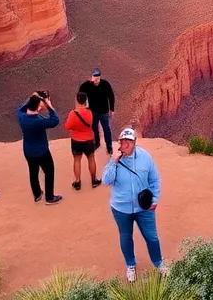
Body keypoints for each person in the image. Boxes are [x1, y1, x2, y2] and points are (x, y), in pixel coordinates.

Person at [103, 126, 164, 283]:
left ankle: (159, 263)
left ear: (135, 142)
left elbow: (155, 180)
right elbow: (106, 181)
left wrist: (155, 200)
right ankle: (131, 265)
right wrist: (113, 161)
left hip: (144, 208)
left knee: (152, 237)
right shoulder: (115, 160)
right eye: (124, 141)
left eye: (130, 141)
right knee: (125, 237)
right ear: (120, 143)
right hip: (121, 208)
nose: (127, 144)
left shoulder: (145, 158)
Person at [17, 91, 63, 204]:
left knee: (33, 171)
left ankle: (37, 194)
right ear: (38, 108)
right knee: (49, 171)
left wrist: (32, 97)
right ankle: (49, 197)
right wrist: (49, 105)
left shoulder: (21, 116)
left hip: (28, 151)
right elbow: (55, 121)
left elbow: (20, 109)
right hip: (42, 152)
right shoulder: (38, 121)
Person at [66, 92, 100, 190]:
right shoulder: (89, 113)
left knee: (77, 160)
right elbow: (91, 123)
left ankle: (77, 182)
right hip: (88, 139)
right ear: (86, 101)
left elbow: (67, 126)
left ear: (77, 100)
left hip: (76, 140)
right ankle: (94, 180)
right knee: (91, 158)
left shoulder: (73, 113)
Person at [79, 69, 117, 155]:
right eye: (94, 79)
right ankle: (97, 142)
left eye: (98, 79)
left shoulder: (105, 84)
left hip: (104, 112)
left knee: (106, 129)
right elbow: (80, 92)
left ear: (100, 77)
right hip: (93, 112)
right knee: (94, 128)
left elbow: (111, 96)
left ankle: (109, 147)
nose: (96, 81)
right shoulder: (87, 86)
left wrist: (112, 109)